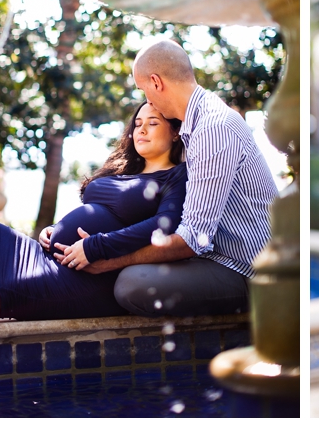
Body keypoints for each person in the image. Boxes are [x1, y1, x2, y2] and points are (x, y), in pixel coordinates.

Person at [42, 39, 277, 317]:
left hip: (250, 270)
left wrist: (106, 258)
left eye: (143, 89)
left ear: (155, 81)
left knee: (132, 284)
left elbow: (192, 239)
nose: (147, 100)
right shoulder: (194, 128)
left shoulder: (213, 130)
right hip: (215, 258)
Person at [0, 102, 187, 325]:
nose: (141, 130)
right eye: (137, 124)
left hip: (93, 276)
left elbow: (165, 225)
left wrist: (95, 245)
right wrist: (56, 227)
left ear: (175, 132)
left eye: (153, 123)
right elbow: (99, 210)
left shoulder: (176, 176)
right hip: (56, 256)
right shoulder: (124, 170)